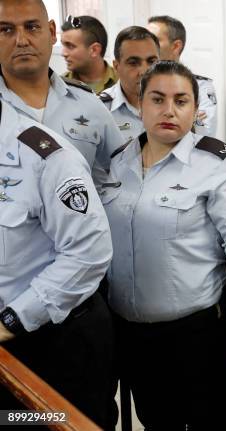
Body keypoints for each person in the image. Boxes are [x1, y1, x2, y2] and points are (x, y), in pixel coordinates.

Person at [102, 60, 226, 430]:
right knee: (155, 421)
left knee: (207, 423)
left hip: (195, 335)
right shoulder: (118, 163)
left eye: (181, 101)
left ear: (194, 108)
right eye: (158, 99)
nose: (169, 110)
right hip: (131, 334)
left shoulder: (215, 162)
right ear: (140, 103)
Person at [0, 99, 114, 428]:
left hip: (55, 340)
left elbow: (89, 251)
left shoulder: (44, 155)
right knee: (14, 422)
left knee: (60, 423)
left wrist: (11, 321)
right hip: (10, 348)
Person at [0, 0, 124, 182]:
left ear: (51, 32)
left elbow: (124, 178)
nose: (22, 41)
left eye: (32, 27)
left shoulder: (89, 105)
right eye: (6, 30)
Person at [147, 15, 218, 137]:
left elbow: (206, 133)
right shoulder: (138, 81)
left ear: (175, 46)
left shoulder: (201, 86)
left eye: (154, 40)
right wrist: (185, 118)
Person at [99, 26, 160, 146]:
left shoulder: (175, 106)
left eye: (151, 62)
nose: (144, 71)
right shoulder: (100, 110)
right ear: (116, 67)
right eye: (133, 63)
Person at [61, 15, 117, 94]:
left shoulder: (124, 83)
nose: (63, 53)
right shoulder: (59, 86)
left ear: (94, 50)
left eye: (70, 46)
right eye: (63, 45)